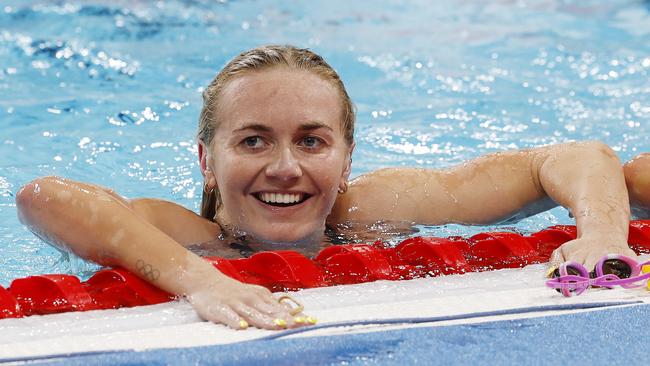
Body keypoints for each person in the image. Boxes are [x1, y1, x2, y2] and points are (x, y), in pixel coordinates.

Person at [15, 45, 650, 331]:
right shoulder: (190, 236)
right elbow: (44, 197)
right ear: (207, 161)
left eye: (312, 141)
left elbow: (575, 156)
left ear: (346, 162)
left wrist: (599, 236)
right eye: (253, 140)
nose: (285, 168)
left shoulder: (373, 209)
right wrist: (202, 279)